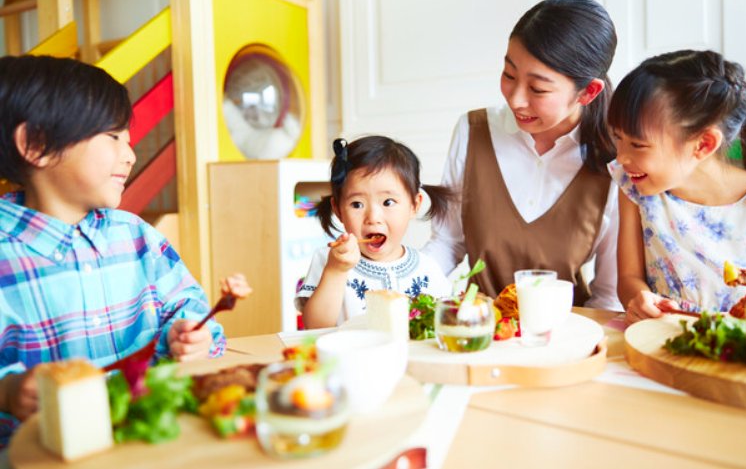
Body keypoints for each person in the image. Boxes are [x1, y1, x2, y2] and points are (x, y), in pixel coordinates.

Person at [0, 55, 250, 449]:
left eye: (128, 139)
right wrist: (9, 390)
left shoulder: (136, 236)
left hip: (153, 442)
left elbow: (190, 312)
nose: (130, 155)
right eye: (114, 137)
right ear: (37, 144)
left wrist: (191, 336)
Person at [425, 0, 620, 309]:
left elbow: (608, 296)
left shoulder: (615, 160)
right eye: (509, 75)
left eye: (538, 89)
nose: (515, 99)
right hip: (481, 330)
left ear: (588, 92)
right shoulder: (473, 131)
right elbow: (448, 243)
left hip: (565, 335)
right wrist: (400, 287)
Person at [607, 49, 746, 324]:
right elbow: (629, 279)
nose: (621, 156)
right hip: (666, 341)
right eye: (617, 138)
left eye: (638, 144)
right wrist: (639, 298)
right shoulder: (635, 185)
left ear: (703, 144)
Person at [298, 136, 454, 328]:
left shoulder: (427, 268)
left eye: (388, 202)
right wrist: (336, 271)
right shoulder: (329, 261)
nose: (373, 217)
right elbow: (315, 327)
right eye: (357, 204)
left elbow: (446, 322)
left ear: (414, 205)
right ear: (338, 210)